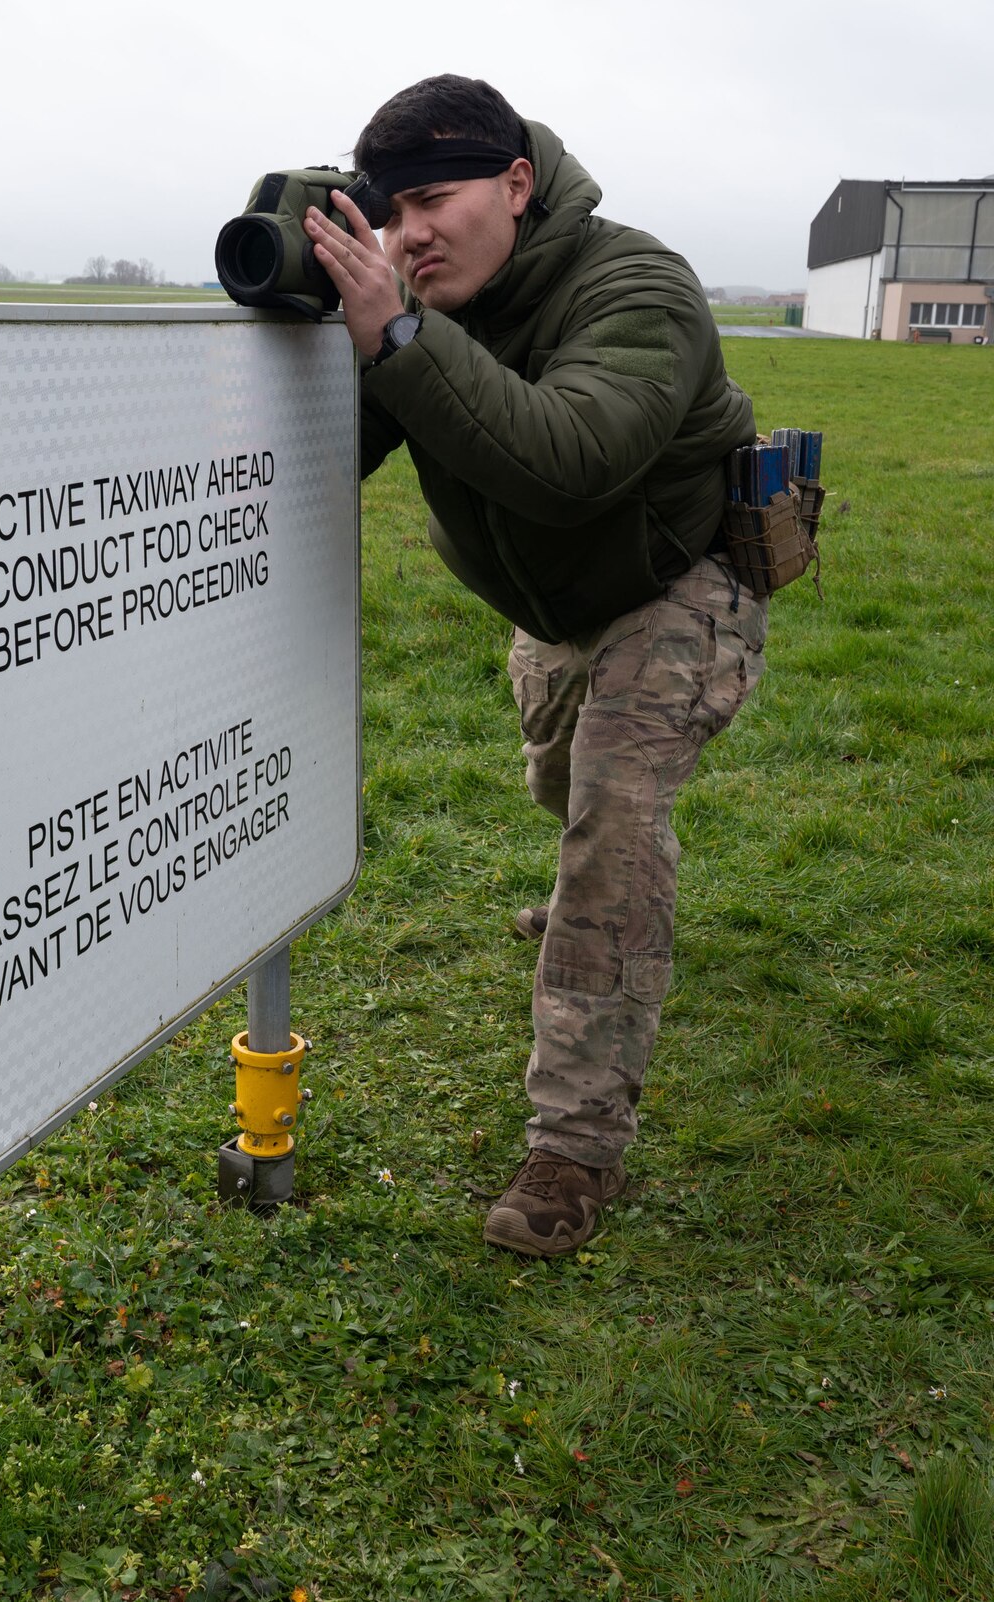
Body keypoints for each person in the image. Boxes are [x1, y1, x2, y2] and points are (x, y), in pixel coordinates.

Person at [303, 75, 765, 1257]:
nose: (406, 236)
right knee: (562, 798)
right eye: (385, 215)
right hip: (550, 613)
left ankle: (572, 1151)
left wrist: (400, 337)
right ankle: (591, 910)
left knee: (610, 834)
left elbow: (570, 460)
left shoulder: (635, 286)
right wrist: (301, 340)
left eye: (430, 202)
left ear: (514, 185)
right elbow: (325, 455)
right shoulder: (422, 291)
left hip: (672, 587)